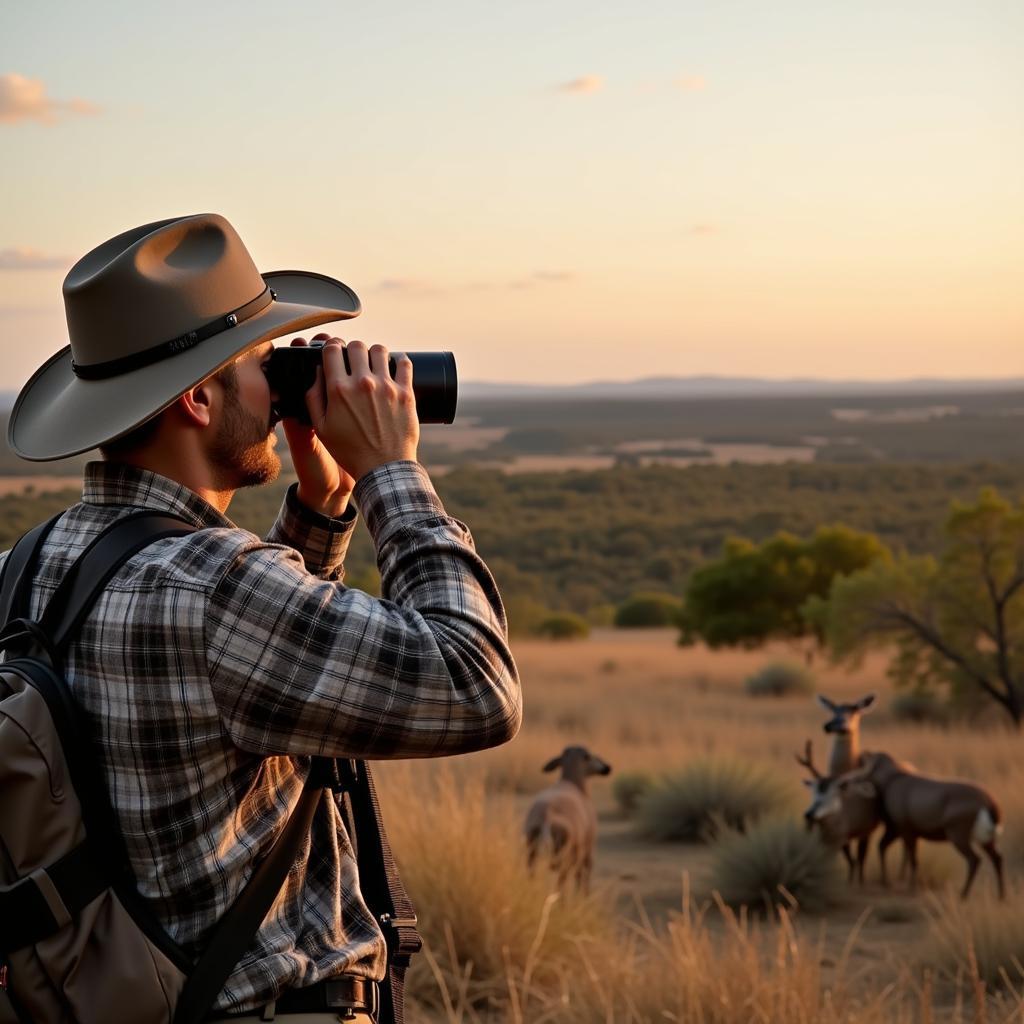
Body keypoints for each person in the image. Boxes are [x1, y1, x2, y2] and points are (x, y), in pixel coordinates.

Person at [3, 213, 522, 1020]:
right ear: (200, 401)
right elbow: (475, 686)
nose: (283, 385)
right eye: (260, 363)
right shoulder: (215, 584)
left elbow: (236, 692)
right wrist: (392, 472)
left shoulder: (27, 566)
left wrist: (323, 508)